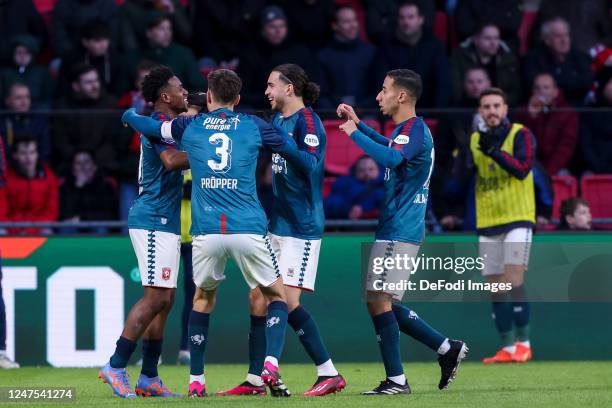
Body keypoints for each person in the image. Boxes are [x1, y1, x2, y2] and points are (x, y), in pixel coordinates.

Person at [122, 69, 314, 397]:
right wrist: (305, 155)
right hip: (248, 228)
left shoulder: (191, 125)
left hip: (206, 231)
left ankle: (196, 380)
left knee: (201, 298)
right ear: (238, 100)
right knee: (276, 296)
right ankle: (269, 364)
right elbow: (300, 157)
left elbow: (151, 126)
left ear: (208, 97)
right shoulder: (254, 125)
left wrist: (128, 114)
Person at [217, 64, 345, 397]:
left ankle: (295, 369)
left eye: (271, 85)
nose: (267, 91)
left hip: (302, 227)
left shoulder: (308, 121)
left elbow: (313, 164)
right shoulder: (278, 121)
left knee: (285, 300)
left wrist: (282, 142)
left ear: (290, 89)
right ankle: (257, 379)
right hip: (278, 224)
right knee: (257, 296)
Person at [337, 69, 468, 395]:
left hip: (400, 228)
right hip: (398, 227)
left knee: (380, 301)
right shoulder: (409, 131)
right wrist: (361, 124)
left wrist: (354, 134)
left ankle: (398, 379)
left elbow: (392, 157)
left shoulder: (414, 129)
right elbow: (391, 146)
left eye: (383, 90)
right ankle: (445, 348)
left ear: (402, 96)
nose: (378, 96)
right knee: (379, 301)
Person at [98, 66, 190, 398]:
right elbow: (170, 162)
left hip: (165, 220)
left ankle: (149, 377)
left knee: (167, 299)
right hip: (151, 218)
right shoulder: (156, 128)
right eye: (180, 88)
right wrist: (209, 156)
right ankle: (116, 364)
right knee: (156, 297)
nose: (185, 92)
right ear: (165, 96)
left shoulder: (167, 127)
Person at [452, 87, 536, 364]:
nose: (492, 111)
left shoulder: (520, 134)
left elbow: (522, 169)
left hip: (518, 216)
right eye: (486, 106)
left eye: (496, 105)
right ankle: (507, 348)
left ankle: (524, 343)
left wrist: (494, 151)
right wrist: (462, 154)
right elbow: (461, 181)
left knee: (514, 280)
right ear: (480, 111)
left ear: (505, 109)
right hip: (487, 220)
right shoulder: (475, 140)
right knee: (496, 288)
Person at [377, 1, 450, 108]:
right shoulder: (387, 46)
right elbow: (381, 82)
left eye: (410, 17)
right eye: (402, 18)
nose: (406, 22)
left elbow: (442, 84)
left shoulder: (435, 46)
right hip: (396, 110)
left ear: (420, 19)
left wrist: (438, 115)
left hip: (430, 110)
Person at [53, 64, 120, 175]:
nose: (95, 86)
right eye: (88, 82)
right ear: (76, 86)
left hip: (105, 166)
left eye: (96, 81)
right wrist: (78, 161)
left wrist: (94, 161)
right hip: (70, 166)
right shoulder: (62, 106)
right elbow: (60, 140)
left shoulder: (111, 103)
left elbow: (114, 140)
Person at [316, 5, 377, 109]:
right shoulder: (323, 55)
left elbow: (378, 89)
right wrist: (335, 111)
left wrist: (361, 109)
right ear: (335, 26)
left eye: (354, 20)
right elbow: (321, 93)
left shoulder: (371, 52)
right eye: (346, 22)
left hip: (367, 115)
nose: (352, 25)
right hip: (332, 116)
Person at [524, 17, 593, 106]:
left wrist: (553, 85)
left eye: (566, 35)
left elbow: (586, 83)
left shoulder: (580, 57)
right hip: (544, 107)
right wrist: (569, 83)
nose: (564, 40)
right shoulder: (533, 58)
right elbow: (533, 84)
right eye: (558, 36)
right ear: (547, 40)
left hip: (576, 107)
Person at [519, 73, 578, 176]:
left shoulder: (567, 113)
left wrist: (546, 173)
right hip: (530, 166)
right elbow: (521, 143)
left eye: (546, 88)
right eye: (537, 88)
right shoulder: (524, 113)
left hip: (556, 168)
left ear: (555, 92)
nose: (541, 92)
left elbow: (565, 148)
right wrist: (531, 117)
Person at [450, 23, 521, 106]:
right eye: (488, 38)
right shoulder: (460, 57)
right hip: (466, 108)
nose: (493, 43)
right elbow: (455, 91)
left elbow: (516, 92)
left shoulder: (509, 59)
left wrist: (497, 102)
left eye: (496, 38)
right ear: (476, 40)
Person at [59, 150, 116, 231]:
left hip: (95, 226)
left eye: (86, 162)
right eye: (78, 163)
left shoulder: (105, 185)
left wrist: (82, 218)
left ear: (94, 166)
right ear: (73, 169)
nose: (82, 166)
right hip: (74, 227)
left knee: (101, 226)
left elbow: (108, 214)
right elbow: (65, 214)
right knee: (66, 227)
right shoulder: (65, 186)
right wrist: (78, 188)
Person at [1, 82, 51, 163]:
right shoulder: (2, 121)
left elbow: (45, 150)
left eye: (27, 97)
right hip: (9, 169)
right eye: (18, 98)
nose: (24, 102)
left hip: (35, 168)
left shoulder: (39, 120)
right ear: (7, 101)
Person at [324, 155, 385, 219]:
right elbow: (331, 203)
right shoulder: (344, 184)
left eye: (371, 169)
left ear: (379, 170)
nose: (367, 173)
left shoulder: (387, 186)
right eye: (361, 170)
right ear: (355, 171)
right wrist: (348, 210)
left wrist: (363, 208)